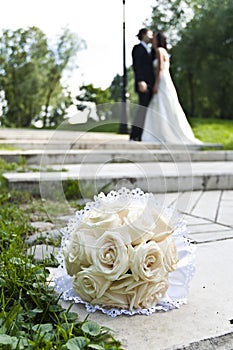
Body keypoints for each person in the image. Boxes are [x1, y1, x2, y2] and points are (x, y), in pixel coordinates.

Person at [141, 32, 202, 145]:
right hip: (165, 80)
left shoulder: (159, 51)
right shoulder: (163, 51)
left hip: (162, 80)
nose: (152, 40)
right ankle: (161, 132)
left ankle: (163, 132)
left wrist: (156, 84)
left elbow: (160, 69)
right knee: (163, 105)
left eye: (154, 38)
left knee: (161, 104)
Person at [129, 28, 156, 141]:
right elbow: (137, 66)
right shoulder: (138, 48)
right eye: (150, 34)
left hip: (151, 84)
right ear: (144, 35)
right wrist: (140, 81)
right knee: (142, 108)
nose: (151, 36)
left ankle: (143, 134)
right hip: (143, 84)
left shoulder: (150, 50)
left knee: (149, 109)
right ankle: (134, 135)